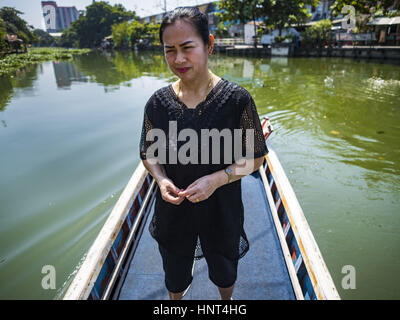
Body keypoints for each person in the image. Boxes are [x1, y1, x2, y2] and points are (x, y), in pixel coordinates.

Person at [139, 6, 268, 300]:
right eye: (169, 50)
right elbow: (148, 153)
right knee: (174, 275)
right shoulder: (157, 104)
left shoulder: (237, 100)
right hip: (173, 210)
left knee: (224, 269)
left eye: (187, 48)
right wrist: (160, 179)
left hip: (222, 209)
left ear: (209, 44)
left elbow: (256, 157)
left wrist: (218, 179)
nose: (178, 59)